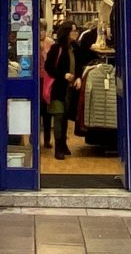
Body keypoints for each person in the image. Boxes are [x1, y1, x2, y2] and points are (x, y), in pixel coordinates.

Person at [43, 21, 80, 160]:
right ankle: (58, 147)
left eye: (76, 30)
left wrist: (78, 77)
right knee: (58, 116)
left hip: (70, 89)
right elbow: (48, 67)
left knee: (65, 117)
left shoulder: (76, 47)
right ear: (66, 32)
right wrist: (63, 75)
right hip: (58, 89)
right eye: (72, 31)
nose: (75, 33)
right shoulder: (56, 48)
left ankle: (63, 144)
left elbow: (80, 65)